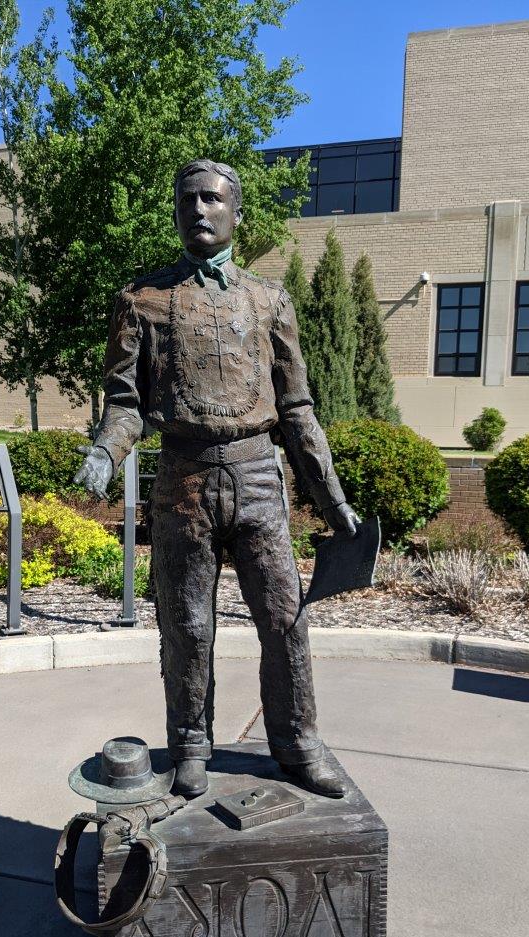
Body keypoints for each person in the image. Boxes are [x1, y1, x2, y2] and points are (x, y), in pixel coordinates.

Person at [75, 158, 360, 799]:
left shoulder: (269, 301)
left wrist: (330, 497)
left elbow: (297, 409)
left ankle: (297, 742)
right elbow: (124, 403)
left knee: (285, 617)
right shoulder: (140, 302)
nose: (199, 211)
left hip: (259, 475)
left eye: (211, 199)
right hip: (183, 480)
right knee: (186, 623)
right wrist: (107, 452)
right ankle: (190, 745)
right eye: (188, 202)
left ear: (236, 214)